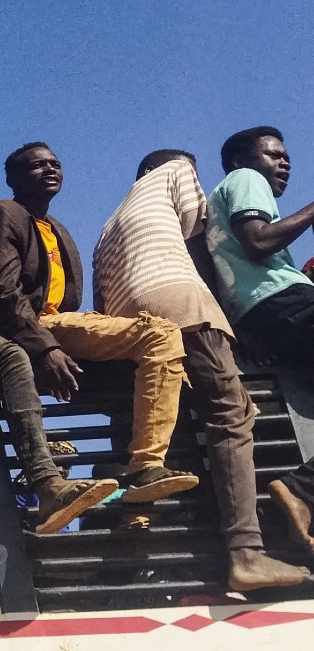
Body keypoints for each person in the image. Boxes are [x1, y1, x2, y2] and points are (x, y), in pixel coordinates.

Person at [95, 149, 308, 590]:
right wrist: (233, 324)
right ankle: (247, 552)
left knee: (198, 423)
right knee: (232, 417)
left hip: (133, 321)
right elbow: (202, 245)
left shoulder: (106, 230)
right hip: (179, 300)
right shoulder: (175, 172)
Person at [0, 142, 199, 504]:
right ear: (13, 179)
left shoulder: (56, 228)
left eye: (55, 164)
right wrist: (45, 348)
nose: (50, 169)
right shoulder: (6, 213)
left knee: (156, 363)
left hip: (62, 322)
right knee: (160, 334)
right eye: (37, 166)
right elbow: (2, 294)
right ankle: (144, 464)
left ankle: (122, 478)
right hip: (38, 325)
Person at [203, 126, 314, 553]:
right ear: (241, 161)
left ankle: (298, 495)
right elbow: (259, 242)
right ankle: (301, 490)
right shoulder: (245, 180)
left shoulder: (214, 207)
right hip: (290, 304)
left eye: (286, 157)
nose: (284, 162)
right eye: (273, 155)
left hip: (268, 316)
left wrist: (242, 328)